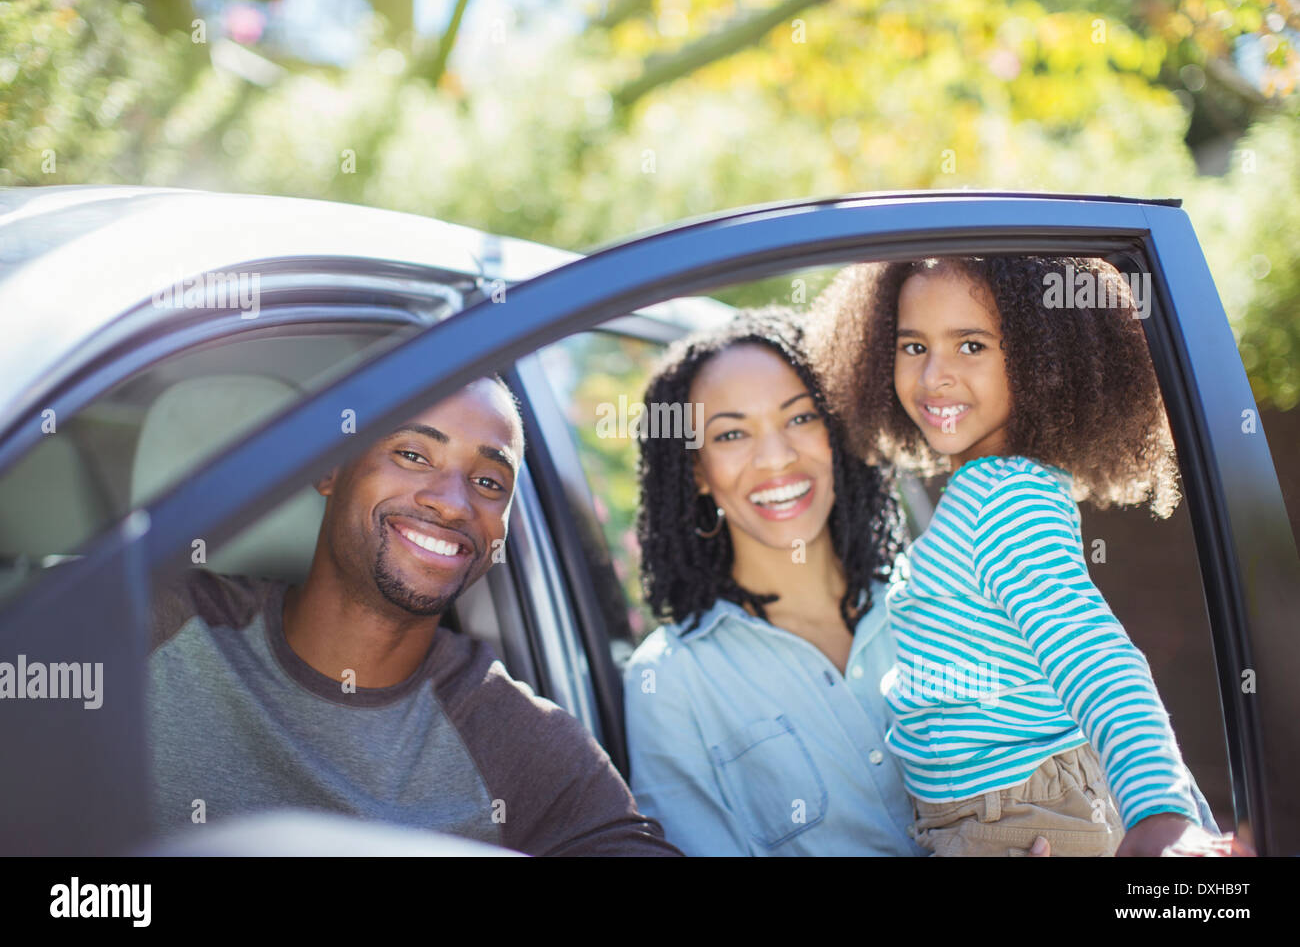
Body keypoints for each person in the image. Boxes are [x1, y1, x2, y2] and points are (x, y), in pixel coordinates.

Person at [809, 256, 1244, 856]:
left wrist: (1157, 812)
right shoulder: (990, 487)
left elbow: (1090, 648)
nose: (934, 374)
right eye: (913, 346)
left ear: (1045, 360)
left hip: (1024, 819)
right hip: (1002, 811)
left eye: (970, 345)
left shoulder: (1003, 494)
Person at [148, 375, 680, 857]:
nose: (452, 504)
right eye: (413, 454)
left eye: (489, 483)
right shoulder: (155, 626)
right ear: (330, 468)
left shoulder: (523, 746)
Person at [623, 309, 1062, 856]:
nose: (776, 457)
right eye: (732, 433)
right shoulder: (670, 682)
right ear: (697, 472)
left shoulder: (957, 599)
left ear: (838, 433)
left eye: (800, 418)